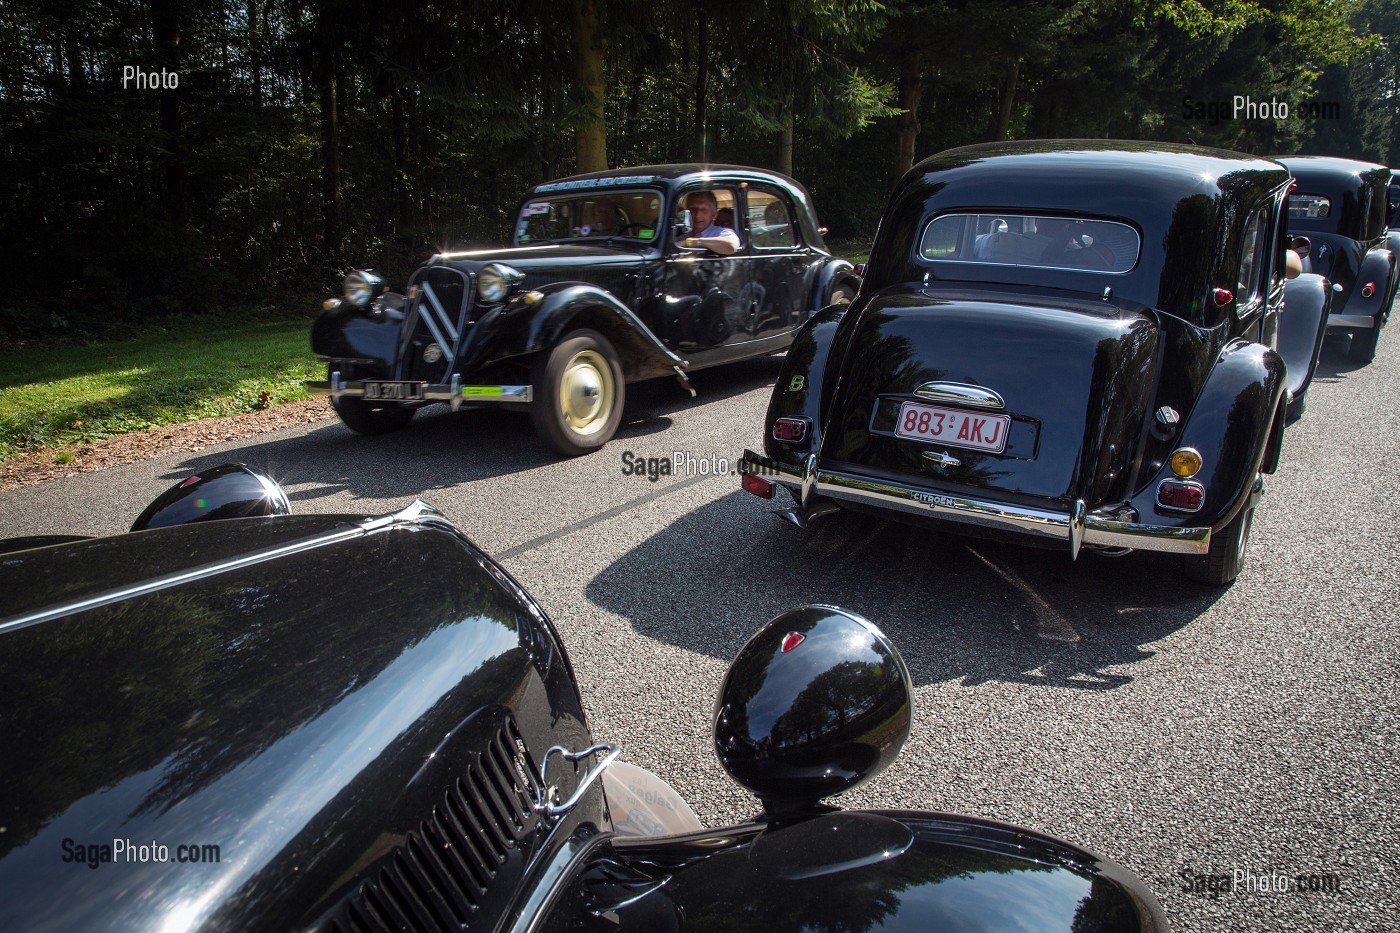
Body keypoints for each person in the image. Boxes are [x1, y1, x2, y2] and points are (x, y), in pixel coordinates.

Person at [678, 190, 740, 255]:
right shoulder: (682, 237)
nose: (697, 215)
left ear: (714, 214)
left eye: (704, 209)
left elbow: (731, 246)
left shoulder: (720, 232)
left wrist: (690, 242)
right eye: (693, 209)